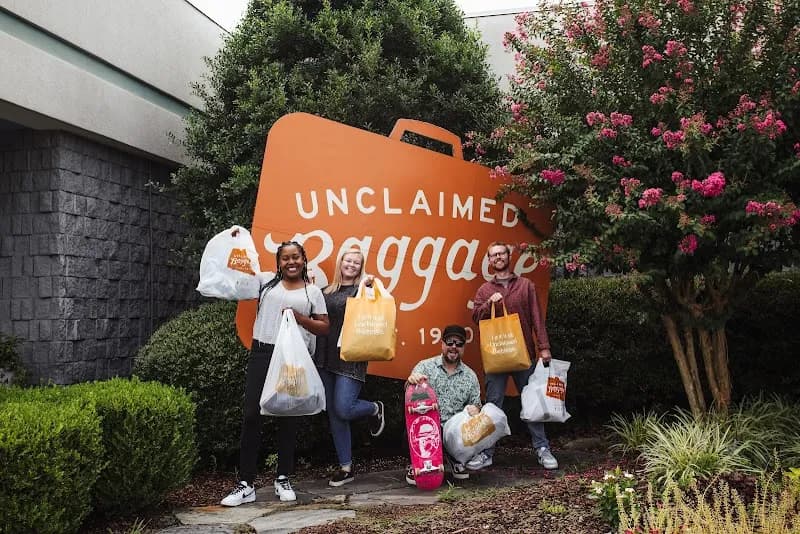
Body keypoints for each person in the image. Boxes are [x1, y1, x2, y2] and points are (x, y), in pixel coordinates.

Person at [221, 240, 330, 506]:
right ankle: (246, 483)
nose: (291, 262)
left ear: (304, 260)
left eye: (296, 257)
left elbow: (324, 327)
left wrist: (300, 318)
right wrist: (237, 240)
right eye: (285, 258)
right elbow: (239, 275)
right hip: (263, 352)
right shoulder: (265, 281)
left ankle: (283, 477)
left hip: (293, 358)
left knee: (288, 415)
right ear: (278, 262)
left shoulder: (312, 292)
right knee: (251, 416)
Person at [468, 241, 558, 471]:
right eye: (493, 255)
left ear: (509, 257)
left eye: (501, 253)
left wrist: (544, 347)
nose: (498, 257)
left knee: (532, 403)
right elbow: (476, 317)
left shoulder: (526, 285)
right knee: (493, 405)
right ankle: (486, 453)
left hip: (524, 354)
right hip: (495, 356)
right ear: (489, 261)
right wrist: (490, 303)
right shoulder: (484, 290)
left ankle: (542, 448)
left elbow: (537, 317)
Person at [314, 247, 386, 487]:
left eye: (357, 262)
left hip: (351, 357)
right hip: (325, 357)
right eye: (348, 260)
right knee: (334, 414)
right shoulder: (325, 291)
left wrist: (371, 285)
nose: (352, 264)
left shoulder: (362, 290)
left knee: (344, 408)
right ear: (340, 262)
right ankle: (346, 467)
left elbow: (382, 301)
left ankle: (374, 408)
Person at [405, 324, 481, 485]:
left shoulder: (470, 376)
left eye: (459, 344)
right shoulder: (425, 366)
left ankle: (456, 459)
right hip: (428, 428)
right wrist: (411, 381)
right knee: (414, 425)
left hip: (454, 431)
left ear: (463, 348)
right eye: (450, 342)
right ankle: (417, 463)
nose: (454, 347)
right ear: (442, 344)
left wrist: (476, 409)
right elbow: (409, 394)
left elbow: (477, 405)